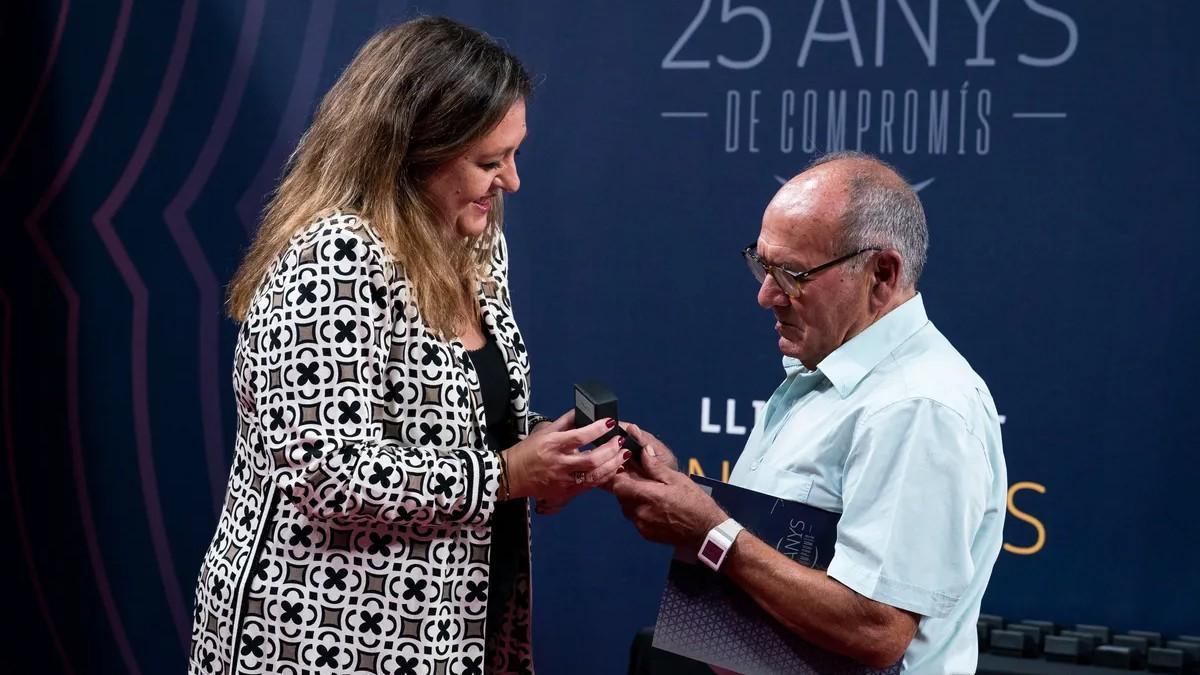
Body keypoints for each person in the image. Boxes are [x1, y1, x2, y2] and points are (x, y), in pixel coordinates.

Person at [189, 17, 629, 675]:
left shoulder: (476, 245)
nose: (512, 181)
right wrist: (507, 474)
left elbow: (443, 420)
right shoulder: (335, 259)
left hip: (452, 631)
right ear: (412, 149)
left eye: (514, 154)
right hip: (318, 639)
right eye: (489, 162)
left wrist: (548, 448)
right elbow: (326, 473)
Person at [613, 152, 1007, 673]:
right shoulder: (827, 369)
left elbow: (877, 629)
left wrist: (709, 532)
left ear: (881, 274)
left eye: (792, 274)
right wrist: (681, 495)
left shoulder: (916, 407)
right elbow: (784, 545)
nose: (766, 295)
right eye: (762, 264)